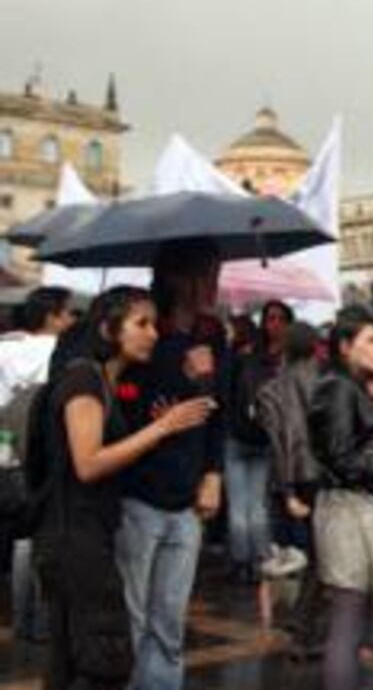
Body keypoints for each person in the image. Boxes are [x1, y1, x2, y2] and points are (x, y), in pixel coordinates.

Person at [32, 287, 212, 690]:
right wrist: (162, 427)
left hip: (82, 534)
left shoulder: (105, 383)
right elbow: (89, 463)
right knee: (101, 662)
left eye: (154, 324)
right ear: (109, 329)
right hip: (75, 539)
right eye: (140, 324)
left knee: (71, 662)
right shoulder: (84, 380)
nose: (152, 334)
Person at [115, 239, 227, 690]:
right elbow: (122, 410)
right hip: (138, 493)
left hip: (187, 498)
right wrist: (169, 393)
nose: (213, 284)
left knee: (170, 624)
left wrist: (213, 473)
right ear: (177, 278)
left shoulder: (210, 337)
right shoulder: (143, 337)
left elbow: (219, 409)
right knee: (132, 618)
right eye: (205, 273)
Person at [308, 306, 373, 690]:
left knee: (356, 616)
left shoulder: (351, 386)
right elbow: (340, 457)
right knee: (348, 617)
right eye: (370, 340)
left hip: (357, 506)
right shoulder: (335, 388)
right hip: (343, 511)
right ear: (344, 346)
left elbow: (366, 438)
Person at [2, 286, 75, 644]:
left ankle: (21, 621)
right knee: (46, 536)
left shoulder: (4, 349)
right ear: (51, 316)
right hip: (46, 452)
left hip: (9, 452)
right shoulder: (62, 353)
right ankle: (45, 624)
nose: (71, 319)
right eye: (66, 313)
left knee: (22, 537)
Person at [257, 321, 325, 658]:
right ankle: (305, 630)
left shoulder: (271, 389)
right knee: (324, 556)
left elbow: (279, 446)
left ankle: (302, 623)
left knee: (318, 554)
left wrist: (286, 491)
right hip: (325, 476)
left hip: (296, 478)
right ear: (315, 348)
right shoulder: (329, 383)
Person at [226, 300, 293, 585]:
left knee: (255, 507)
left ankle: (255, 561)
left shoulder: (285, 359)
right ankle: (248, 561)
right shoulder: (248, 355)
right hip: (241, 438)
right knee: (243, 507)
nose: (274, 324)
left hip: (264, 441)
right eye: (270, 318)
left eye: (279, 319)